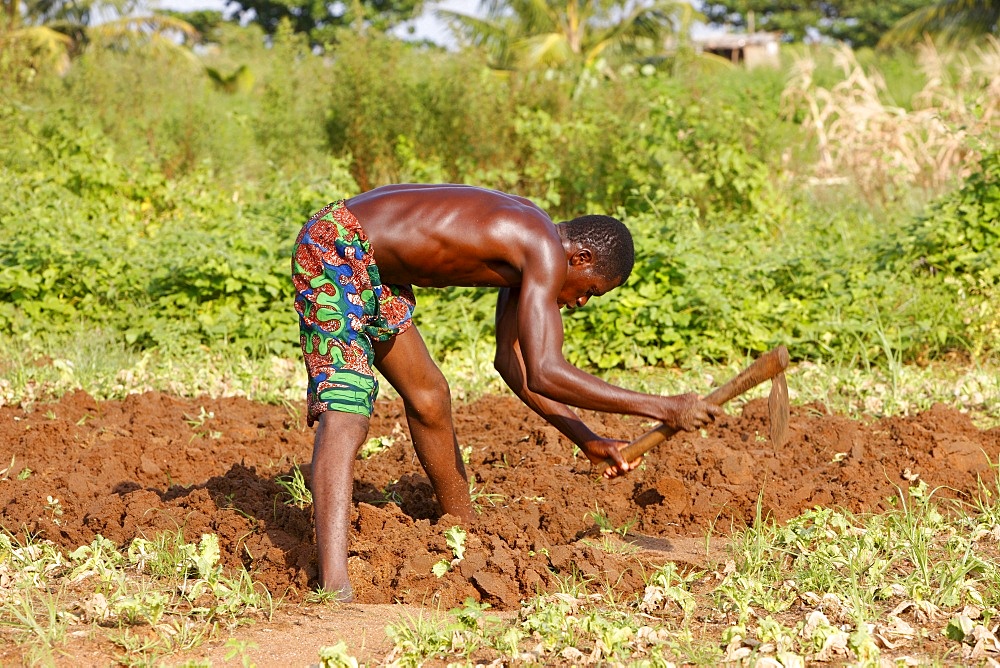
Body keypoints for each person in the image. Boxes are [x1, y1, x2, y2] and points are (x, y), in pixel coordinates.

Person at [291, 184, 721, 600]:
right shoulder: (544, 250)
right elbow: (547, 372)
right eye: (590, 290)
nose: (581, 303)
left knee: (430, 396)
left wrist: (587, 440)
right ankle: (334, 585)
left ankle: (461, 531)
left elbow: (512, 365)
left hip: (376, 271)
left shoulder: (533, 243)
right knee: (346, 411)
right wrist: (663, 407)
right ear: (582, 256)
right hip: (338, 246)